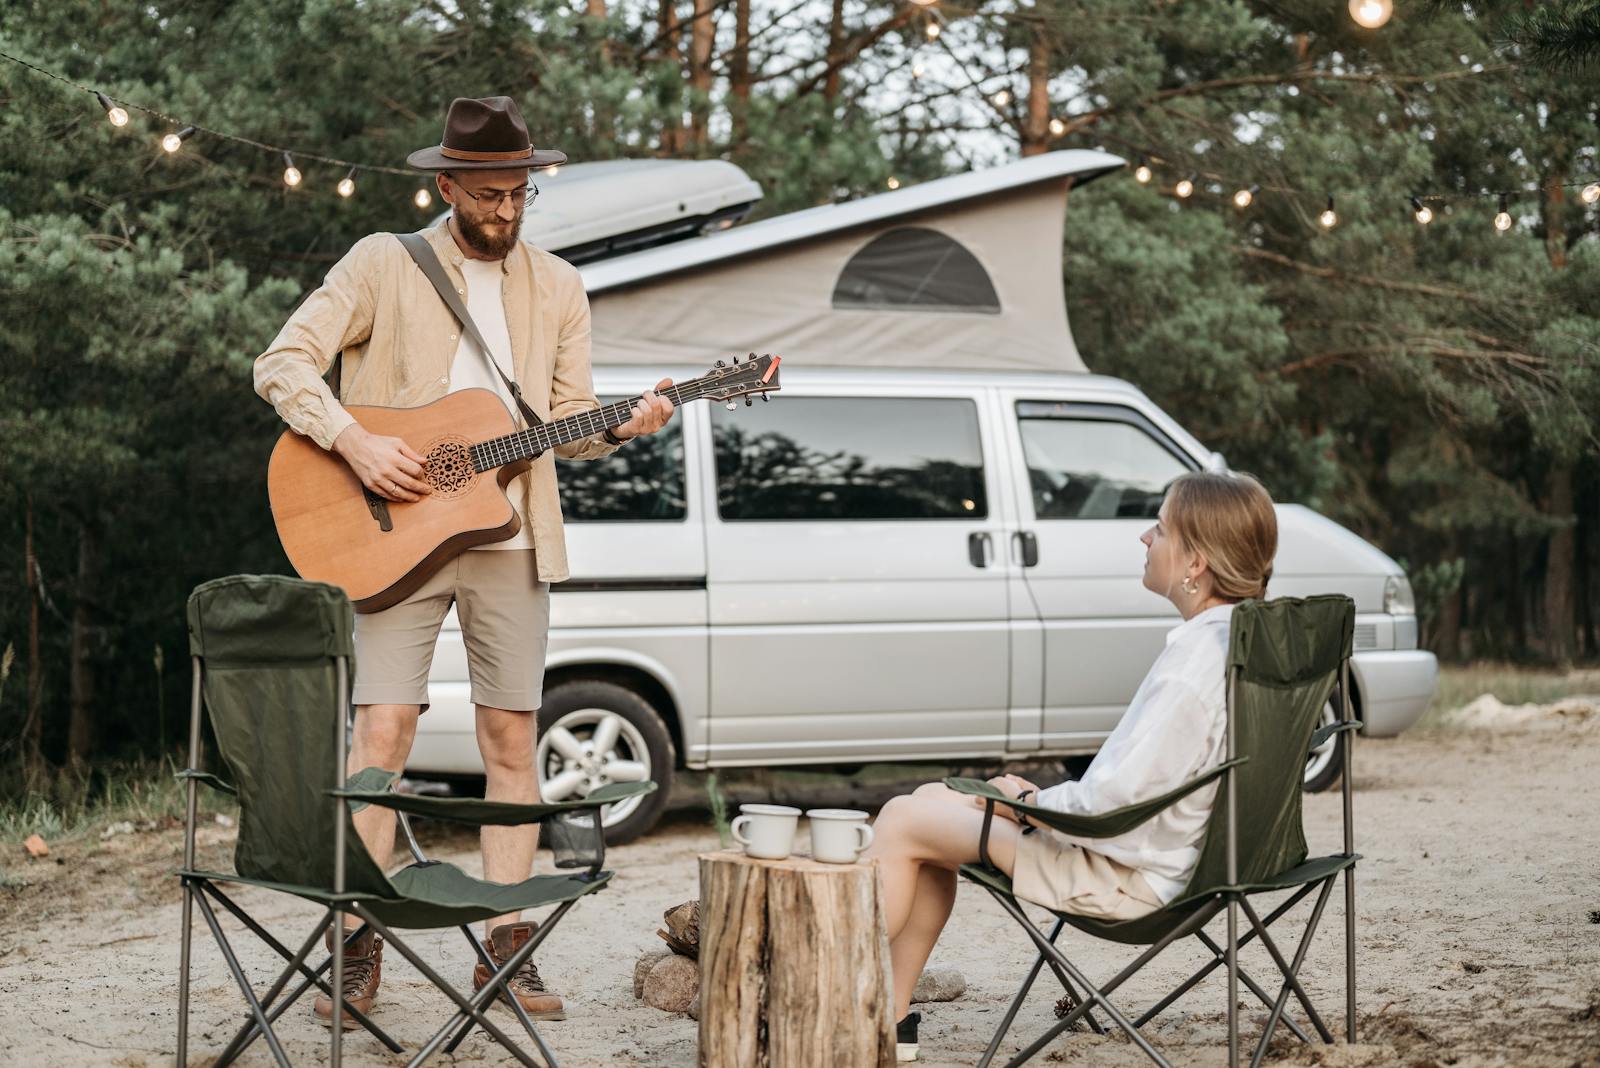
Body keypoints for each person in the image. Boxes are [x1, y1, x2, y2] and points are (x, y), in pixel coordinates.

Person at [253, 95, 675, 1026]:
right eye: (488, 194)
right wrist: (356, 442)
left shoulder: (560, 286)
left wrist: (625, 425)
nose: (506, 209)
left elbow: (569, 424)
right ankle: (354, 944)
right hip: (390, 538)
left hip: (511, 538)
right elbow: (280, 364)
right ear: (446, 186)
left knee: (512, 743)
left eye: (520, 192)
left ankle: (506, 949)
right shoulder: (382, 262)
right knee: (381, 740)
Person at [862, 471, 1278, 1063]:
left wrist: (1024, 805)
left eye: (1160, 529)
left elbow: (1112, 806)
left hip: (1129, 876)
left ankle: (833, 986)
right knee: (931, 800)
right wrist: (1032, 800)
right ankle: (890, 1017)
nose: (1145, 538)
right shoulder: (1239, 642)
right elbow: (1137, 789)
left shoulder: (1192, 668)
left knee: (904, 820)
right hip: (1184, 858)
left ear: (1196, 563)